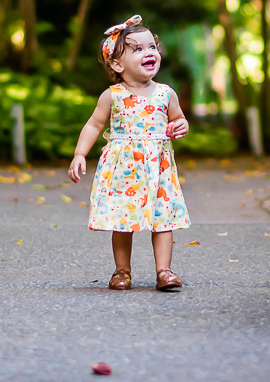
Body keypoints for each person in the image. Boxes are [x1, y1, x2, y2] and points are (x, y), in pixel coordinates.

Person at [68, 15, 190, 291]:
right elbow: (94, 124)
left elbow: (178, 119)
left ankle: (164, 271)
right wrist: (79, 154)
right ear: (116, 64)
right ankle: (122, 271)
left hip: (158, 169)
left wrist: (180, 126)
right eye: (138, 49)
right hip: (124, 169)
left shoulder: (166, 94)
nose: (150, 53)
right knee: (122, 221)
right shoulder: (112, 95)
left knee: (163, 219)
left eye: (152, 47)